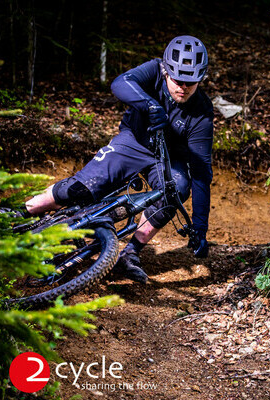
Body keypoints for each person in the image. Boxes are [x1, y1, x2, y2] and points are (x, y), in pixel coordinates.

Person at [23, 35, 214, 283]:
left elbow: (200, 172)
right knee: (80, 189)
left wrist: (200, 227)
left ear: (201, 78)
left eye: (191, 81)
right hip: (133, 142)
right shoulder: (154, 69)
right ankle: (21, 212)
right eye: (178, 79)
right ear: (166, 71)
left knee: (176, 188)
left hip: (165, 160)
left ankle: (131, 253)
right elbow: (121, 83)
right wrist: (149, 105)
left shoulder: (202, 112)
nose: (183, 87)